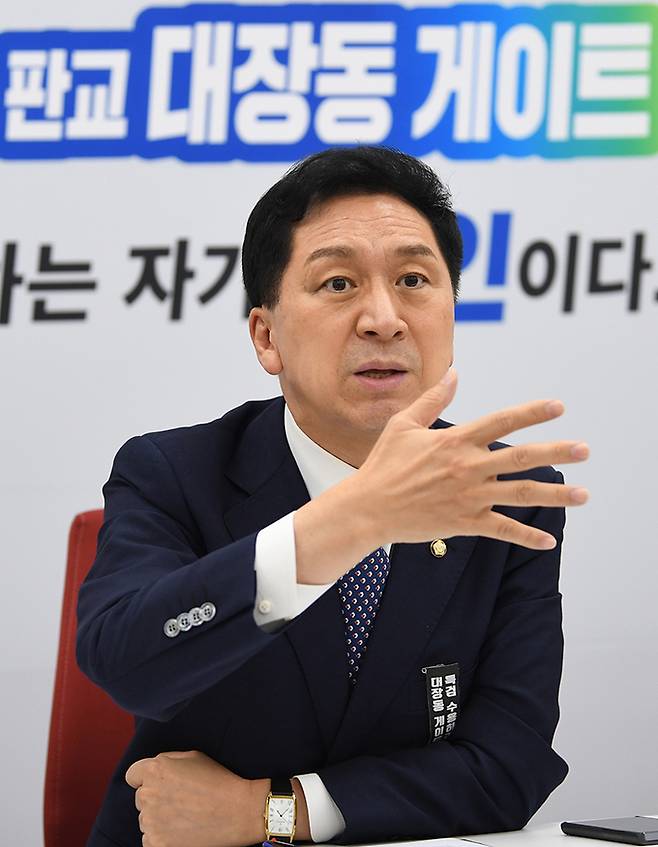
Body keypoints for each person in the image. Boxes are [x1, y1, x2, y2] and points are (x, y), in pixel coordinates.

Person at [77, 146, 589, 847]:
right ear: (267, 336)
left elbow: (508, 767)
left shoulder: (506, 495)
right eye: (339, 283)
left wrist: (270, 810)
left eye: (413, 280)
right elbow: (129, 664)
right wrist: (349, 521)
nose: (384, 318)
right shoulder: (173, 471)